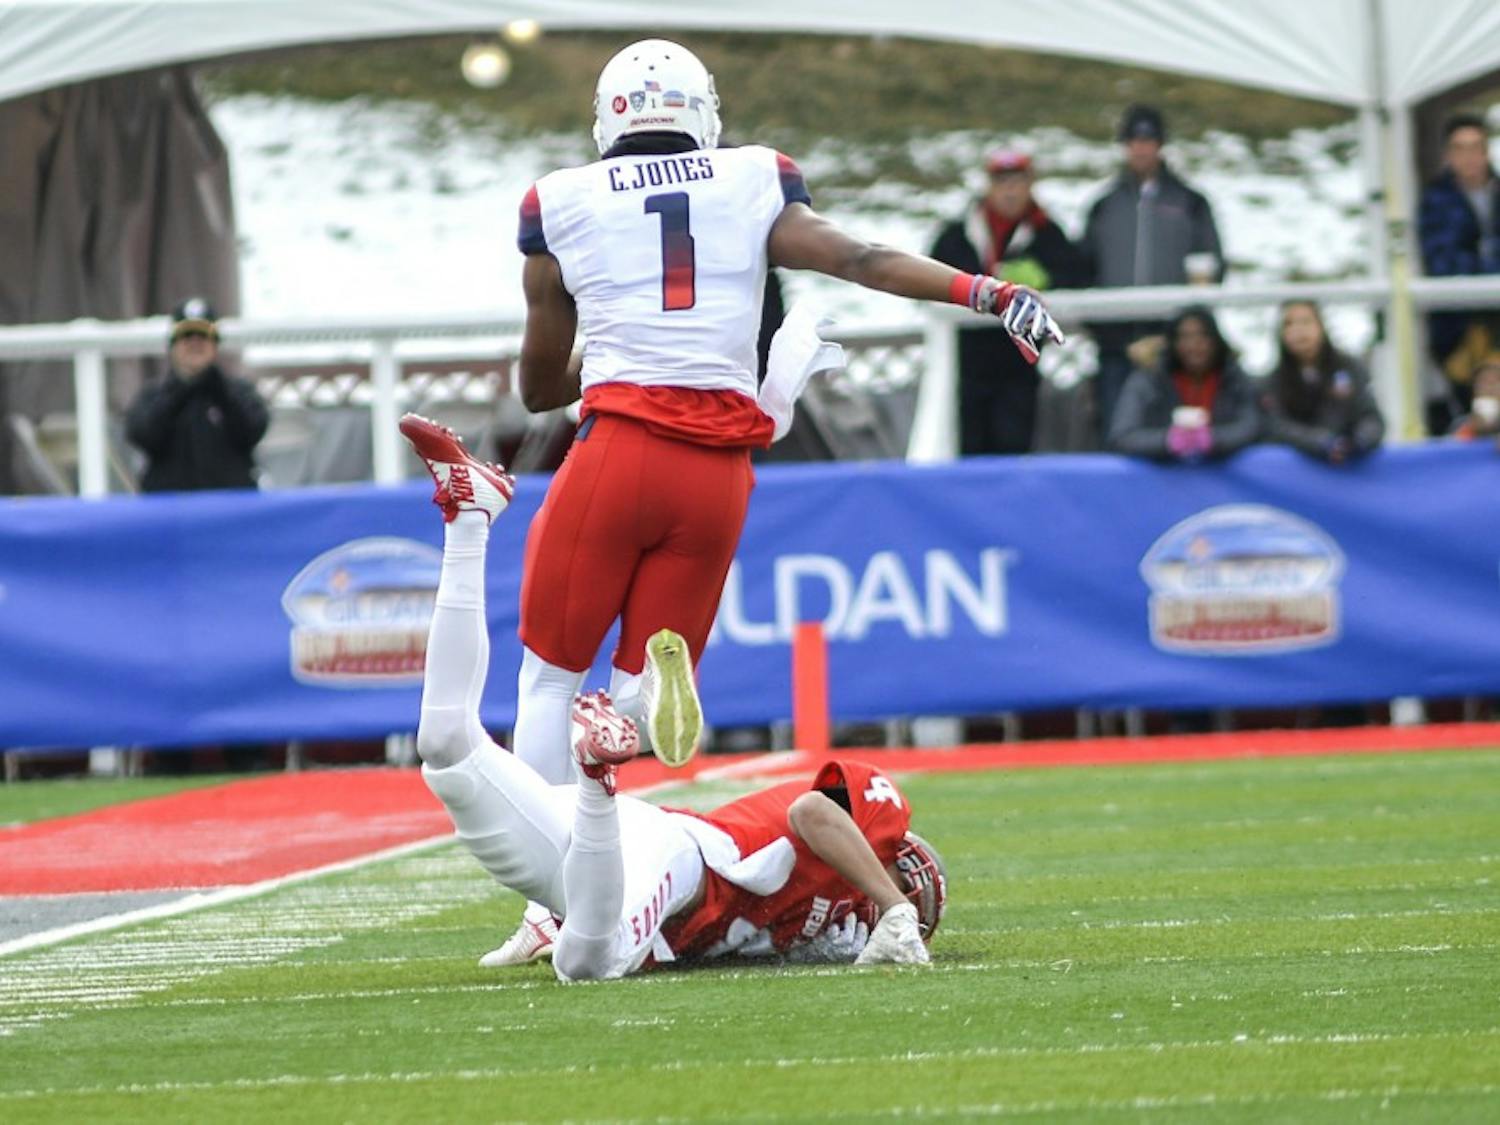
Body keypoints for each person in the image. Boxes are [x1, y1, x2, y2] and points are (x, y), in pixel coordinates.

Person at [481, 39, 1061, 964]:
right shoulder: (752, 178)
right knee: (635, 674)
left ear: (608, 119)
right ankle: (635, 705)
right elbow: (859, 257)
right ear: (703, 111)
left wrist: (606, 342)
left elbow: (542, 386)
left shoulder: (561, 201)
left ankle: (553, 903)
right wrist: (987, 290)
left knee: (548, 676)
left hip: (622, 446)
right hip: (720, 467)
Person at [399, 413, 945, 979]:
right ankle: (593, 776)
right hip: (678, 859)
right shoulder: (880, 825)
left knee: (446, 748)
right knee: (589, 962)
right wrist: (896, 908)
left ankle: (468, 520)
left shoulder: (808, 922)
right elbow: (813, 811)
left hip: (610, 861)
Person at [1082, 105, 1224, 441]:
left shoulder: (1191, 203)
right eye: (1134, 140)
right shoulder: (1104, 206)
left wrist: (1182, 332)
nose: (1141, 148)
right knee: (1115, 431)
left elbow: (1214, 267)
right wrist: (1102, 330)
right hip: (1116, 346)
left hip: (1176, 348)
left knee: (1174, 433)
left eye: (1148, 140)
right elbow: (1085, 272)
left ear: (1160, 145)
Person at [930, 149, 1086, 454]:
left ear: (1030, 185)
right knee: (967, 439)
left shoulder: (1047, 234)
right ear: (988, 186)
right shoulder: (958, 233)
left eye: (1017, 182)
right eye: (1003, 183)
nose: (1010, 191)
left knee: (1014, 439)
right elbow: (932, 276)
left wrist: (1042, 281)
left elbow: (1075, 278)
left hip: (1018, 359)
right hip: (967, 357)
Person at [124, 298, 269, 492]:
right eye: (186, 335)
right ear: (173, 344)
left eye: (203, 336)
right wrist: (180, 391)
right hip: (171, 513)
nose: (195, 343)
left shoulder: (240, 392)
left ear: (215, 344)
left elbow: (251, 431)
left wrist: (218, 390)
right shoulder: (152, 395)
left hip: (229, 510)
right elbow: (145, 435)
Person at [1418, 113, 1500, 432]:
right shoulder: (1436, 201)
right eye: (1460, 148)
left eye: (1476, 147)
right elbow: (1443, 262)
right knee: (1471, 406)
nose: (1469, 157)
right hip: (1459, 328)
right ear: (1448, 155)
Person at [1107, 305, 1259, 462]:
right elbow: (1122, 436)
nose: (1194, 345)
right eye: (1185, 337)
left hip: (1221, 480)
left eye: (1202, 336)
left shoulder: (1234, 378)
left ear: (1216, 340)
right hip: (1163, 480)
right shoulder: (1149, 379)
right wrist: (1167, 441)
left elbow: (1252, 426)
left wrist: (1213, 438)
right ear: (1173, 342)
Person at [1260, 301, 1385, 464]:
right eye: (1288, 324)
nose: (1298, 331)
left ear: (1321, 326)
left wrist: (1359, 441)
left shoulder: (1351, 369)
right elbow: (1276, 427)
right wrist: (1320, 442)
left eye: (1306, 322)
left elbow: (1371, 418)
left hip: (1349, 470)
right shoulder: (1272, 382)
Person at [1448, 353, 1500, 442]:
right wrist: (1475, 429)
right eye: (1483, 382)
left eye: (1495, 382)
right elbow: (1451, 450)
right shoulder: (1462, 425)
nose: (1489, 388)